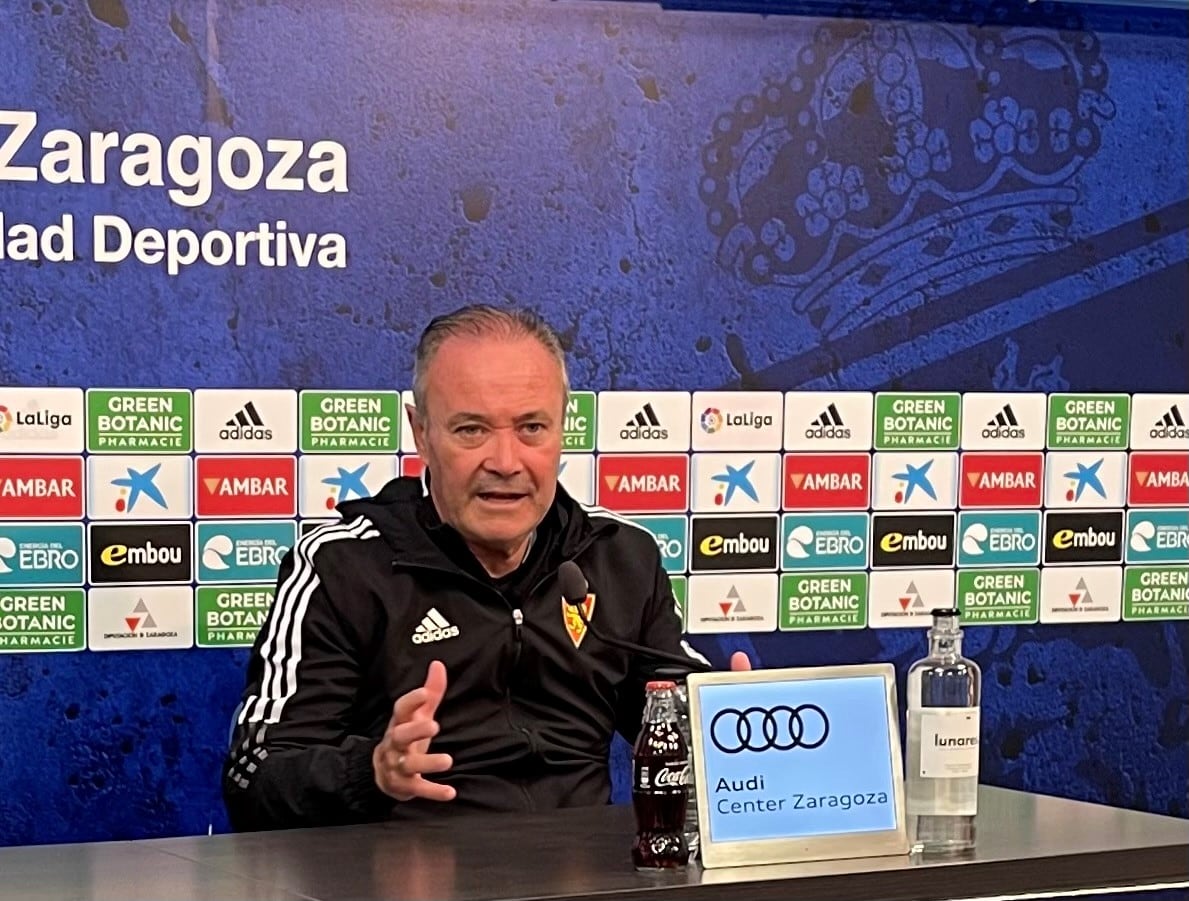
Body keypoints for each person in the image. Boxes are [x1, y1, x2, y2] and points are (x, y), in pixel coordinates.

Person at [223, 304, 747, 830]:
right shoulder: (342, 566)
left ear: (563, 428)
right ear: (421, 432)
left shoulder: (619, 555)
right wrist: (372, 771)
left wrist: (730, 726)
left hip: (586, 881)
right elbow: (252, 780)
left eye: (532, 427)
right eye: (471, 430)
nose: (505, 460)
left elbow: (675, 727)